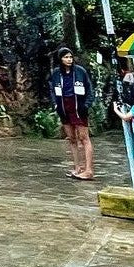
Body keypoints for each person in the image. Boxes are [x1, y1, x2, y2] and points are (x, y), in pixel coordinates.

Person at [49, 46, 94, 180]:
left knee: (84, 138)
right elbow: (52, 89)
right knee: (72, 139)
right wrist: (55, 104)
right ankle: (77, 167)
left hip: (78, 107)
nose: (69, 60)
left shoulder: (80, 71)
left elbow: (90, 89)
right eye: (66, 57)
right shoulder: (56, 73)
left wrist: (86, 105)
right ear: (60, 59)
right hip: (64, 107)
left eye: (70, 57)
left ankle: (89, 170)